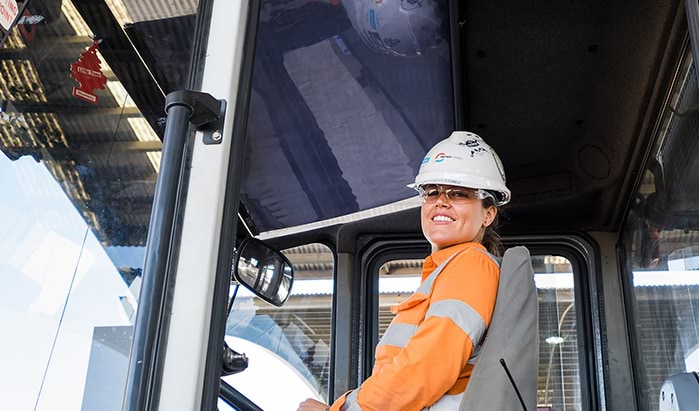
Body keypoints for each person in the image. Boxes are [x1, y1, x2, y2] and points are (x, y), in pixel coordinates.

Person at [298, 131, 511, 411]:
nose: (440, 201)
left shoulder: (471, 265)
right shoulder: (444, 273)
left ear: (488, 214)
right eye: (432, 191)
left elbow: (424, 369)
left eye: (458, 193)